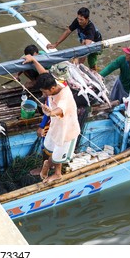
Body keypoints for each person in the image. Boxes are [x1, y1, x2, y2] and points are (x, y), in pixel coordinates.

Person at [23, 55, 81, 183]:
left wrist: (50, 113)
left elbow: (60, 110)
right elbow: (43, 73)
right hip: (56, 126)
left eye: (45, 92)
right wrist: (33, 60)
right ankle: (46, 166)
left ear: (53, 89)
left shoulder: (64, 95)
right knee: (48, 147)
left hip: (67, 130)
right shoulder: (53, 81)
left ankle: (57, 173)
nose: (44, 95)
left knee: (58, 154)